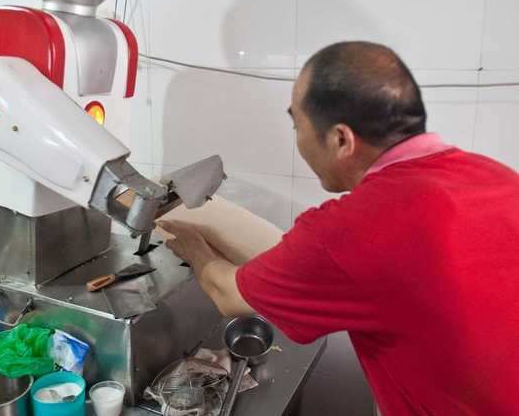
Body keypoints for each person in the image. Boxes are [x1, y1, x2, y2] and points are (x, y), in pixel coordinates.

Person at [158, 41, 519, 415]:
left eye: (297, 126)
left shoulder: (355, 227)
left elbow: (226, 294)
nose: (297, 140)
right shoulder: (497, 177)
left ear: (341, 139)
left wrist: (191, 243)